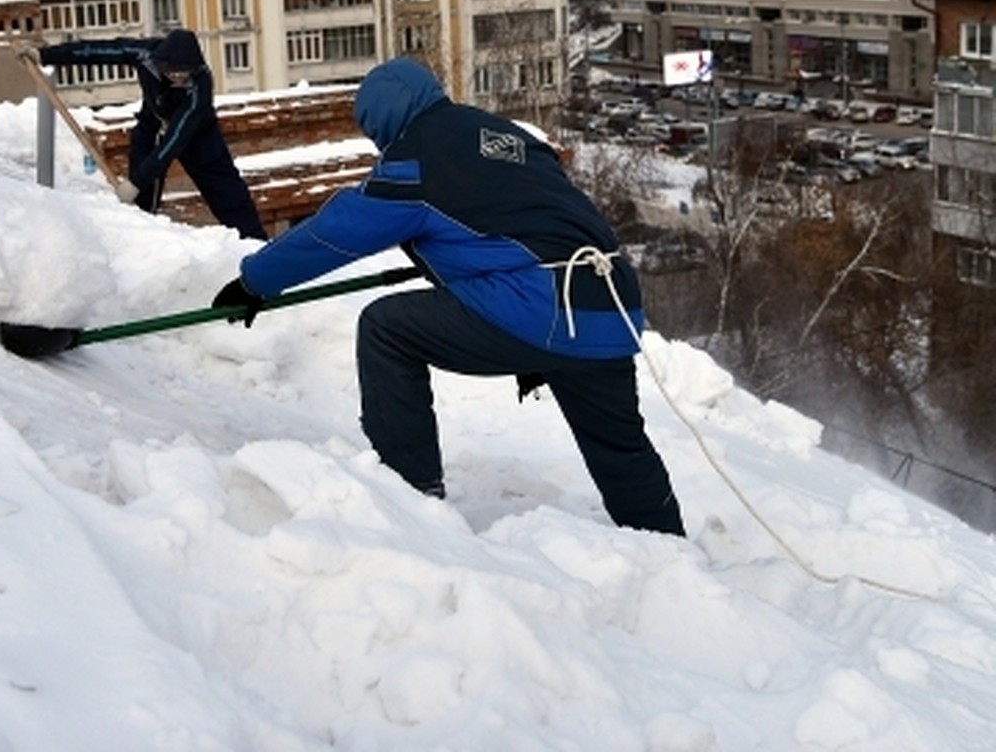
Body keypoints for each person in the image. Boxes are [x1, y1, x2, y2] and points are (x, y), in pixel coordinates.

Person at [213, 57, 684, 536]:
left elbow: (336, 233)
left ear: (383, 120)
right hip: (610, 302)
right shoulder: (505, 135)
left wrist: (255, 281)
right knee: (619, 446)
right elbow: (531, 222)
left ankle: (408, 494)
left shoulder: (415, 162)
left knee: (386, 329)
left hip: (541, 306)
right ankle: (669, 550)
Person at [38, 29, 266, 241]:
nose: (180, 78)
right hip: (152, 123)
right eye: (174, 73)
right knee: (141, 200)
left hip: (197, 136)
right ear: (163, 64)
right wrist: (45, 55)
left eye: (185, 73)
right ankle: (143, 243)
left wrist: (135, 182)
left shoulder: (199, 87)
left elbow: (174, 141)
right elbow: (96, 51)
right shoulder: (145, 54)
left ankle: (255, 245)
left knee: (228, 196)